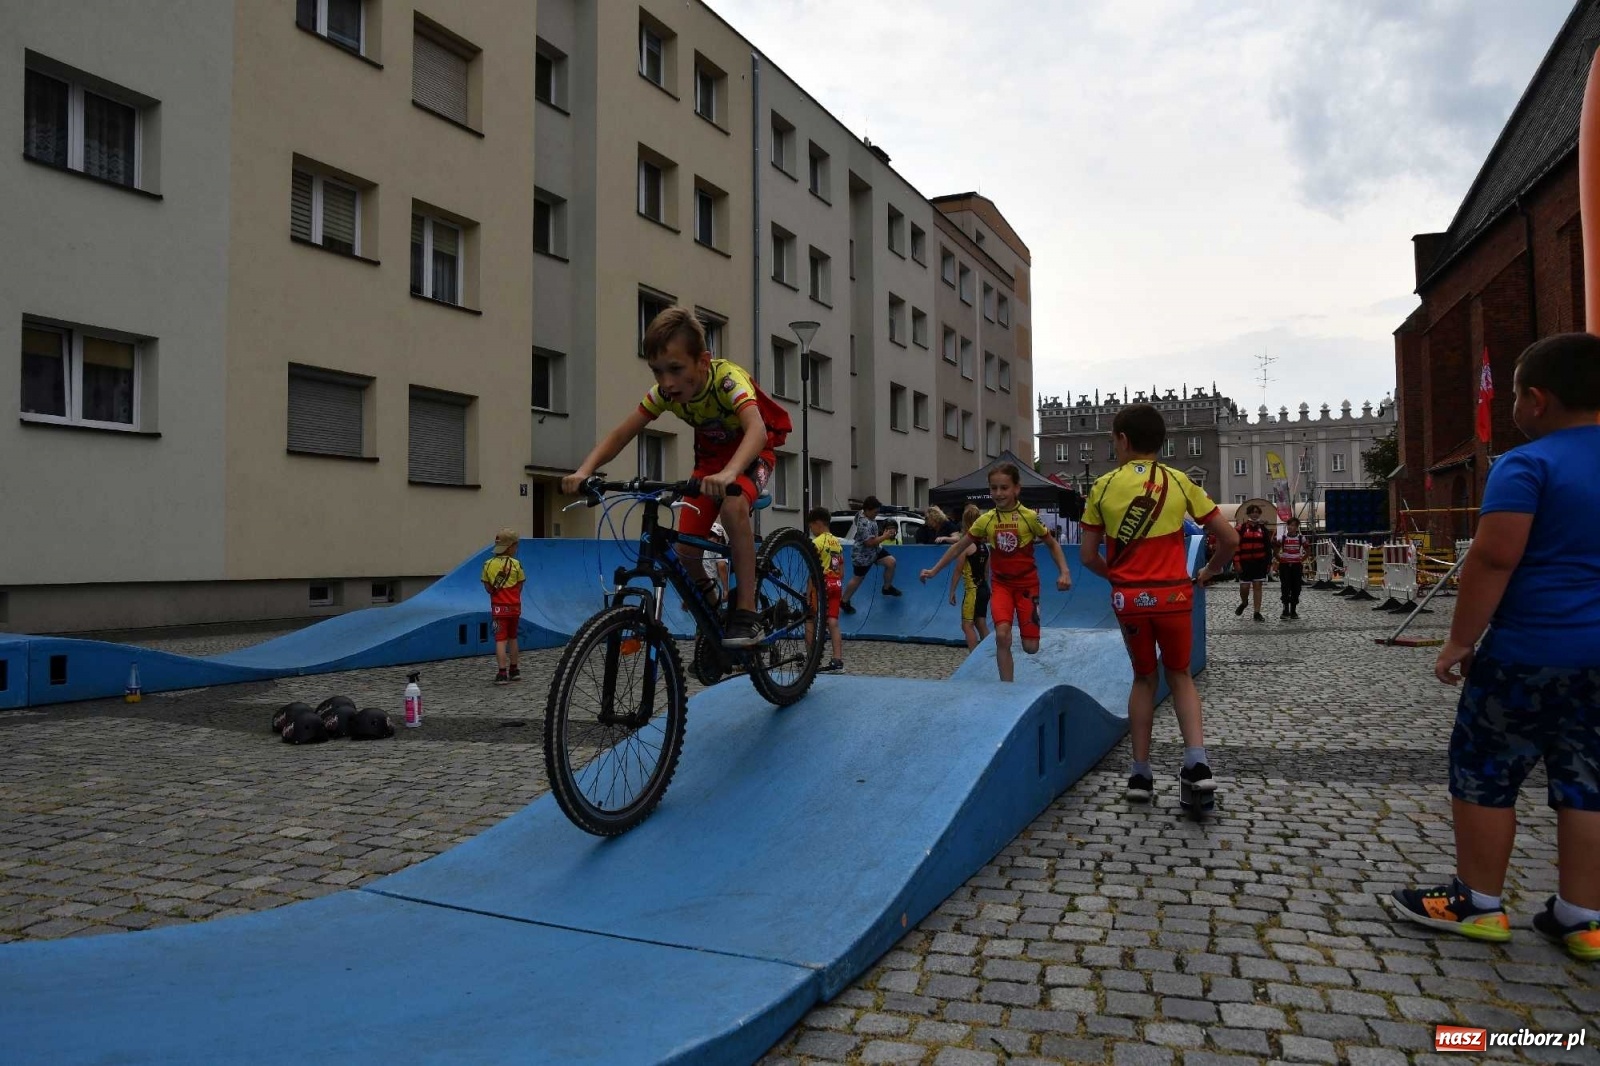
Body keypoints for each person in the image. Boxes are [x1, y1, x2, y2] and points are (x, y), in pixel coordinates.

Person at [1387, 333, 1600, 961]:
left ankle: (1477, 903)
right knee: (1588, 780)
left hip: (1531, 652)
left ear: (1535, 400)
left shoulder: (1528, 465)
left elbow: (1494, 557)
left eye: (1511, 395)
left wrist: (1458, 639)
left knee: (1484, 771)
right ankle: (1583, 916)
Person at [561, 306, 784, 647]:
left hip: (752, 457)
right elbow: (621, 434)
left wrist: (730, 472)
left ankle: (747, 610)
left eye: (676, 369)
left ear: (703, 362)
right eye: (658, 371)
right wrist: (585, 470)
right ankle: (714, 614)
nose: (667, 382)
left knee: (733, 507)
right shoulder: (664, 394)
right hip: (709, 467)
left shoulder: (727, 380)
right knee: (685, 552)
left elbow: (755, 430)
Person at [1079, 403, 1238, 802]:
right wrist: (1209, 572)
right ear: (1161, 442)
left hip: (1130, 599)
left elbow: (1087, 556)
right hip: (1174, 595)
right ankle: (1197, 763)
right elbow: (1229, 539)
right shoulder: (1180, 481)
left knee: (1144, 678)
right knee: (1180, 675)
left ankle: (1140, 775)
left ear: (1123, 440)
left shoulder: (1102, 486)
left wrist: (1116, 576)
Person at [919, 464, 1071, 682]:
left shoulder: (1029, 517)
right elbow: (958, 547)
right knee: (1001, 635)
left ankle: (1030, 622)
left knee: (1031, 647)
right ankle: (1005, 690)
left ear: (1016, 489)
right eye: (994, 488)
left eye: (1004, 488)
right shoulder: (986, 520)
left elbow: (1053, 544)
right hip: (1002, 586)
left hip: (1027, 586)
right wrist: (934, 570)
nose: (998, 493)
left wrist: (1064, 571)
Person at [840, 496, 901, 614]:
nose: (876, 515)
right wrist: (885, 536)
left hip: (875, 551)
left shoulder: (861, 513)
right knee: (858, 578)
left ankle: (886, 588)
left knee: (891, 562)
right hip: (862, 556)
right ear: (867, 510)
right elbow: (869, 543)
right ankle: (844, 601)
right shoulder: (864, 524)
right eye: (875, 512)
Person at [481, 528, 525, 685]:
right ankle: (514, 670)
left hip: (498, 610)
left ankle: (501, 673)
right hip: (514, 608)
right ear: (510, 547)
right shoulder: (516, 564)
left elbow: (487, 588)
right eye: (516, 546)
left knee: (500, 640)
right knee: (513, 638)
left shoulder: (487, 564)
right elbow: (520, 585)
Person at [946, 503, 992, 651]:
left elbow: (958, 571)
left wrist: (952, 591)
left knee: (967, 625)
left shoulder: (966, 545)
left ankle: (974, 658)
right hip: (984, 588)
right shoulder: (985, 546)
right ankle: (990, 655)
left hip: (973, 590)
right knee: (981, 624)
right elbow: (986, 572)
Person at [806, 507, 845, 672]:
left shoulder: (817, 542)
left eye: (811, 527)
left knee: (809, 619)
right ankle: (837, 660)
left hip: (821, 585)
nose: (812, 531)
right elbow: (840, 569)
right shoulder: (836, 543)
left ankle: (811, 660)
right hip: (835, 584)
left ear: (817, 523)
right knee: (833, 622)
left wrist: (808, 592)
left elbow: (813, 570)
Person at [1234, 504, 1273, 621]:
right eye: (1253, 512)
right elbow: (1235, 546)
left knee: (1257, 586)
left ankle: (1257, 612)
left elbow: (1268, 548)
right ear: (1249, 514)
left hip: (1259, 562)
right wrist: (1236, 562)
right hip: (1245, 563)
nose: (1255, 514)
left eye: (1257, 512)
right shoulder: (1240, 528)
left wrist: (1268, 563)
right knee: (1244, 587)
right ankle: (1244, 602)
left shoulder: (1263, 529)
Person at [1276, 517, 1310, 619]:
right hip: (1285, 566)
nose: (1291, 527)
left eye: (1294, 525)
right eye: (1289, 525)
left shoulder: (1301, 538)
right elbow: (1275, 551)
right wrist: (1281, 560)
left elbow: (1308, 551)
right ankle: (1285, 609)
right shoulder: (1282, 538)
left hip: (1296, 566)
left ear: (1297, 527)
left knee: (1296, 587)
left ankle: (1293, 610)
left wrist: (1301, 560)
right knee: (1285, 587)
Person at [702, 520, 730, 606]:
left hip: (699, 585)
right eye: (709, 535)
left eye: (712, 535)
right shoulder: (718, 548)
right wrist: (725, 589)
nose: (710, 538)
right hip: (711, 588)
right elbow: (722, 567)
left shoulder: (700, 548)